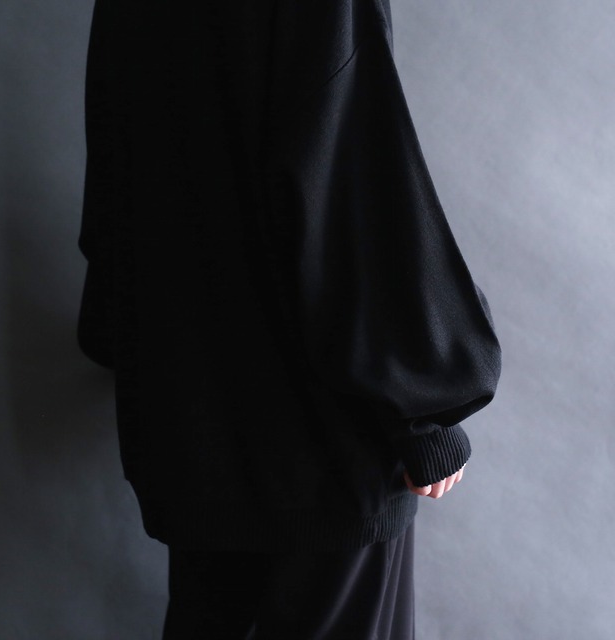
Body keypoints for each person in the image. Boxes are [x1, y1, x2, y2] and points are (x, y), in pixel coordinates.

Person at [76, 1, 502, 638]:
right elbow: (352, 180)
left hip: (189, 425)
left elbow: (114, 162)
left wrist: (130, 342)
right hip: (321, 443)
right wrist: (425, 412)